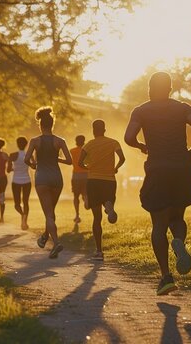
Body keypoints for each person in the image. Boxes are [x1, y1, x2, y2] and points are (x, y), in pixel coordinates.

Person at [124, 71, 191, 295]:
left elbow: (128, 137)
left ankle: (166, 277)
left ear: (150, 89)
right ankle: (178, 241)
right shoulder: (183, 107)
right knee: (178, 217)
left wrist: (142, 146)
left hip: (157, 169)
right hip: (181, 168)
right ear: (170, 89)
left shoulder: (141, 111)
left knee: (159, 225)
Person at [25, 107, 72, 259]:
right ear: (52, 124)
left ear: (40, 124)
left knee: (49, 214)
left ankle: (56, 242)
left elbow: (26, 159)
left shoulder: (35, 141)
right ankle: (45, 237)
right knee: (50, 212)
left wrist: (33, 164)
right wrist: (56, 158)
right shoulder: (60, 141)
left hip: (42, 179)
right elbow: (70, 161)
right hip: (57, 179)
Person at [78, 120, 125, 261]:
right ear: (104, 129)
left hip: (93, 180)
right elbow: (122, 158)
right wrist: (115, 168)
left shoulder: (88, 145)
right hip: (109, 180)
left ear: (93, 130)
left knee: (96, 218)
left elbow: (80, 163)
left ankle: (99, 252)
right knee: (108, 199)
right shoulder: (113, 142)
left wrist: (89, 168)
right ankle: (108, 205)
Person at [7, 136, 32, 230]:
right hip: (27, 181)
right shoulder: (29, 155)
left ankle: (22, 215)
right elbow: (34, 166)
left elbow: (8, 170)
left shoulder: (12, 155)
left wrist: (15, 168)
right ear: (26, 145)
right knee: (26, 202)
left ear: (17, 144)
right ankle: (25, 219)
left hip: (16, 181)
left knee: (17, 204)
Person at [69, 134, 89, 230]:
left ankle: (77, 215)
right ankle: (86, 199)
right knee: (85, 193)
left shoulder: (72, 151)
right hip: (86, 174)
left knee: (75, 196)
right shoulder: (87, 151)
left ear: (76, 141)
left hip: (76, 175)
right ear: (84, 141)